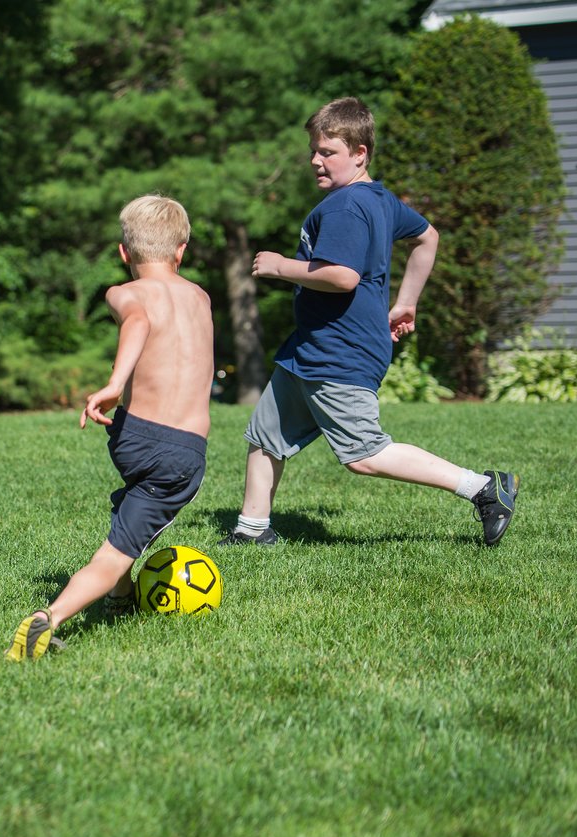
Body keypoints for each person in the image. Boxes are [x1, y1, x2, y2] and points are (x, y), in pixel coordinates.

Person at [218, 97, 517, 549]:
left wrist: (281, 266)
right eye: (314, 151)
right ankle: (252, 530)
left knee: (364, 454)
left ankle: (483, 487)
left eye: (328, 152)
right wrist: (406, 303)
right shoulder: (379, 199)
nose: (315, 161)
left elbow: (342, 276)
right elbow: (428, 237)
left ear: (360, 153)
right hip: (310, 348)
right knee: (266, 437)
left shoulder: (343, 206)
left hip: (340, 351)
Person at [6, 194, 212, 660]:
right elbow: (139, 322)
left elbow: (138, 316)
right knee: (118, 548)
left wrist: (118, 391)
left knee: (131, 507)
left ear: (124, 253)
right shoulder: (200, 296)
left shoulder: (123, 290)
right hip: (179, 452)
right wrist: (115, 383)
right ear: (182, 251)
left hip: (132, 437)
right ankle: (48, 619)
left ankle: (120, 600)